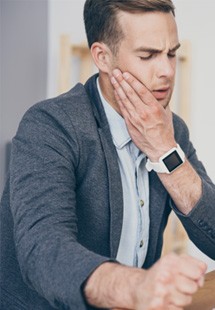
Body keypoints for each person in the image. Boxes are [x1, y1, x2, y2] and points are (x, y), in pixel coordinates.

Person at [1, 0, 215, 309]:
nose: (167, 70)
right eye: (148, 55)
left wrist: (165, 152)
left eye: (172, 53)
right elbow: (44, 251)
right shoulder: (50, 124)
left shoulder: (170, 129)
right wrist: (138, 285)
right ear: (102, 57)